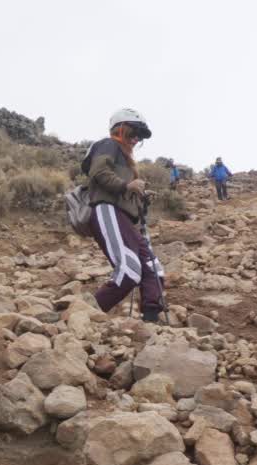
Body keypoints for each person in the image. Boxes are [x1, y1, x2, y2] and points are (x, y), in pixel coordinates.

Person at [81, 108, 165, 323]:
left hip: (124, 217)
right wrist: (127, 186)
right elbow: (98, 172)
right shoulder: (108, 145)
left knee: (153, 269)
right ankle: (85, 317)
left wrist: (141, 196)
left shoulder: (127, 160)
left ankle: (151, 320)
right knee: (129, 269)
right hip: (106, 209)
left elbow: (124, 188)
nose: (136, 139)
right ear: (120, 129)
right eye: (134, 133)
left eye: (140, 136)